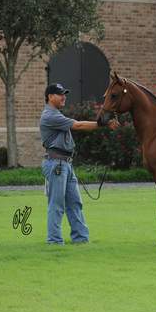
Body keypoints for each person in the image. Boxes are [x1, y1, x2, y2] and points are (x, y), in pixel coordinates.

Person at [40, 83, 118, 245]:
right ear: (50, 97)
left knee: (75, 202)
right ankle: (54, 240)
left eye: (64, 94)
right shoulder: (50, 115)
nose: (64, 97)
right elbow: (78, 125)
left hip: (65, 164)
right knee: (57, 204)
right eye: (60, 94)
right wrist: (103, 124)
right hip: (56, 165)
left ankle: (81, 239)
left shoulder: (57, 115)